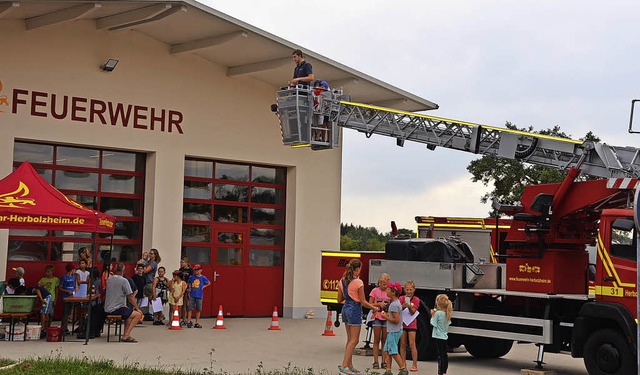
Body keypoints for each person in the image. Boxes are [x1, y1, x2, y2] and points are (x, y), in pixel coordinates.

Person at [337, 259, 378, 375]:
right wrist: (374, 308)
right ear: (357, 269)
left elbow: (339, 299)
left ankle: (349, 365)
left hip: (345, 308)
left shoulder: (342, 280)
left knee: (349, 339)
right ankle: (344, 366)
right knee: (355, 340)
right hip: (354, 309)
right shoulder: (358, 282)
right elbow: (363, 301)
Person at [104, 263, 143, 343]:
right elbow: (130, 297)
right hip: (117, 308)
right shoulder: (124, 280)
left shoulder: (109, 279)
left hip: (108, 307)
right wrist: (137, 308)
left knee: (128, 314)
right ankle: (126, 335)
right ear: (123, 271)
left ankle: (125, 334)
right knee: (138, 315)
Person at [379, 281, 409, 375]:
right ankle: (388, 370)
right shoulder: (395, 303)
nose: (386, 290)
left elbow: (396, 320)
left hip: (394, 331)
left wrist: (385, 317)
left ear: (393, 292)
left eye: (388, 289)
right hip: (393, 330)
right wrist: (388, 314)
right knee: (388, 350)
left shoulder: (394, 305)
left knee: (393, 351)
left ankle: (403, 368)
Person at [368, 273, 391, 370]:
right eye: (383, 284)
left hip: (386, 317)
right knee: (376, 339)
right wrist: (378, 304)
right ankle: (375, 361)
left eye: (386, 284)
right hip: (377, 316)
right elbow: (370, 303)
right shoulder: (375, 291)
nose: (384, 286)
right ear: (379, 283)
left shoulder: (389, 292)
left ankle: (384, 361)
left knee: (384, 340)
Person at [399, 280, 421, 372]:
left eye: (410, 290)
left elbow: (413, 312)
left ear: (414, 289)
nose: (409, 292)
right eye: (407, 289)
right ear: (404, 290)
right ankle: (403, 363)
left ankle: (414, 363)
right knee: (403, 343)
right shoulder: (401, 299)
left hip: (412, 323)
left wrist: (409, 307)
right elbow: (398, 310)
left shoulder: (416, 299)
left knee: (412, 344)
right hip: (403, 323)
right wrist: (403, 306)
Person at [430, 294, 452, 375]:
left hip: (438, 336)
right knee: (444, 354)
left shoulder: (438, 313)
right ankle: (444, 370)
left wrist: (432, 315)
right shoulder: (447, 313)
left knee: (439, 355)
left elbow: (433, 323)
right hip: (444, 336)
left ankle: (440, 371)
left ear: (438, 304)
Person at [186, 264, 210, 328]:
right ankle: (188, 321)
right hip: (192, 295)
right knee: (190, 308)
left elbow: (208, 283)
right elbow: (188, 283)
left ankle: (197, 322)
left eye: (197, 270)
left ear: (201, 270)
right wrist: (188, 288)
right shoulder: (192, 277)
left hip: (199, 295)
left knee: (198, 309)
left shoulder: (203, 277)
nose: (196, 271)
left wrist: (203, 287)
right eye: (195, 270)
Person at [143, 248, 161, 320]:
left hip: (149, 283)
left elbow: (146, 271)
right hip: (145, 282)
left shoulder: (153, 263)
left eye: (151, 254)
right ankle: (145, 314)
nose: (149, 255)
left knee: (154, 300)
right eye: (149, 253)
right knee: (145, 300)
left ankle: (160, 315)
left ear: (155, 255)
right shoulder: (148, 261)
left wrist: (143, 264)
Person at [179, 257, 193, 325]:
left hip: (188, 287)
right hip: (181, 287)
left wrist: (188, 286)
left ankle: (188, 319)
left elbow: (191, 279)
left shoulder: (190, 270)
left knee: (188, 304)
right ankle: (183, 319)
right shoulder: (181, 269)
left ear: (186, 263)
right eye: (181, 262)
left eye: (182, 262)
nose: (181, 263)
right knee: (183, 304)